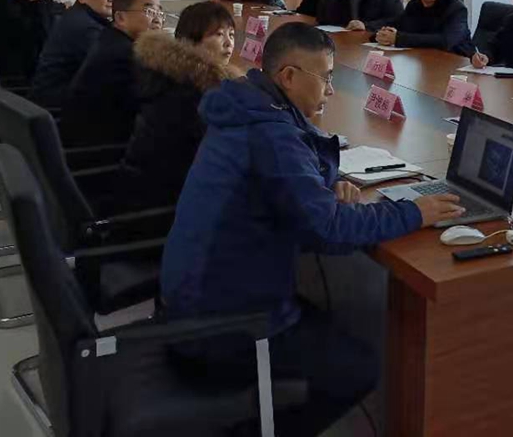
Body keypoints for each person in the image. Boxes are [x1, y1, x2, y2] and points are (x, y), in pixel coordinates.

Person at [161, 22, 463, 437]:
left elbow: (284, 189)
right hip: (222, 326)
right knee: (358, 368)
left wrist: (319, 188)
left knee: (334, 314)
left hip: (195, 301)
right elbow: (330, 232)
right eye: (326, 78)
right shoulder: (270, 134)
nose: (332, 91)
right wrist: (414, 212)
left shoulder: (247, 107)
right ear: (288, 76)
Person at [120, 2, 240, 206]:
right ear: (191, 40)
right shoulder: (190, 91)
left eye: (232, 34)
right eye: (219, 35)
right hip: (170, 199)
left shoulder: (171, 72)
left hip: (150, 185)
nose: (229, 43)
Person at [60, 0, 163, 147]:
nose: (157, 20)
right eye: (149, 11)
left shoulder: (111, 40)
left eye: (160, 13)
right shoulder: (125, 54)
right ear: (120, 17)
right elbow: (151, 107)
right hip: (101, 150)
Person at [29, 0, 117, 108]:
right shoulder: (86, 27)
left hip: (52, 99)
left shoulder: (78, 16)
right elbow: (111, 69)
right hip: (58, 107)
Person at [375, 0, 484, 64]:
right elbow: (399, 24)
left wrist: (398, 38)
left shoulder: (456, 8)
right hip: (424, 60)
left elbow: (445, 41)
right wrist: (383, 34)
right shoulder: (414, 5)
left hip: (456, 63)